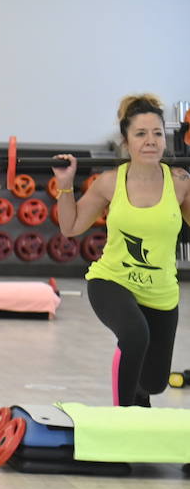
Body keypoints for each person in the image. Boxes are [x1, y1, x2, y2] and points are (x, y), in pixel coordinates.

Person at [54, 93, 190, 407]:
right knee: (135, 335)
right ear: (126, 142)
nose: (151, 141)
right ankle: (122, 417)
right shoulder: (110, 182)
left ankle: (139, 408)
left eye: (157, 133)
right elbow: (70, 227)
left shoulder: (180, 182)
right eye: (141, 134)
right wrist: (65, 183)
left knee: (154, 383)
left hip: (161, 292)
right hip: (112, 282)